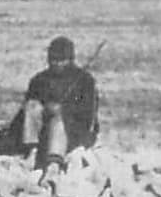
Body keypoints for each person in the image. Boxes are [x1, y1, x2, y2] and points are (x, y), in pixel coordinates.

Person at [16, 36, 99, 174]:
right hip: (43, 131)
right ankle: (32, 151)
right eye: (53, 60)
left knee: (58, 119)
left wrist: (64, 110)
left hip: (72, 131)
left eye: (62, 60)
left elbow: (89, 115)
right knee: (33, 105)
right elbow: (26, 111)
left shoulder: (84, 80)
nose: (57, 64)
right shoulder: (39, 80)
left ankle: (54, 163)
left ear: (70, 60)